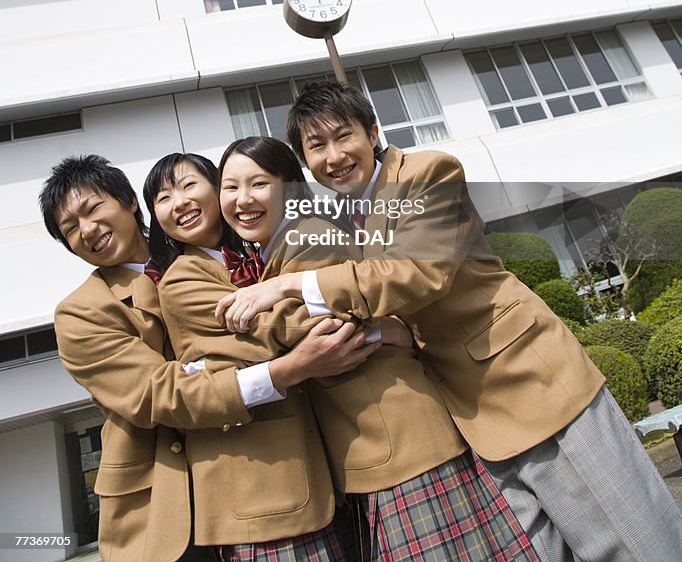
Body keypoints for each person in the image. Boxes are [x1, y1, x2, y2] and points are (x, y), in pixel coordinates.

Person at [217, 81, 682, 562]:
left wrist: (286, 286)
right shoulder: (342, 216)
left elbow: (418, 271)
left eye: (343, 136)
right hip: (465, 413)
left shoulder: (426, 173)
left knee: (628, 541)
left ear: (373, 132)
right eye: (316, 146)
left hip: (529, 382)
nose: (333, 156)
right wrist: (384, 330)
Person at [150, 143, 541, 562]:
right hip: (349, 455)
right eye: (232, 187)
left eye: (258, 184)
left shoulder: (304, 235)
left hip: (396, 437)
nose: (242, 198)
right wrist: (383, 330)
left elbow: (325, 322)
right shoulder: (202, 273)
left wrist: (388, 328)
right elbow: (288, 327)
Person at [40, 154, 370, 562]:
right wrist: (289, 368)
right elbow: (159, 394)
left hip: (283, 468)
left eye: (92, 210)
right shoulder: (79, 314)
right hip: (167, 506)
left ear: (128, 202)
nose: (87, 230)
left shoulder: (228, 251)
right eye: (69, 228)